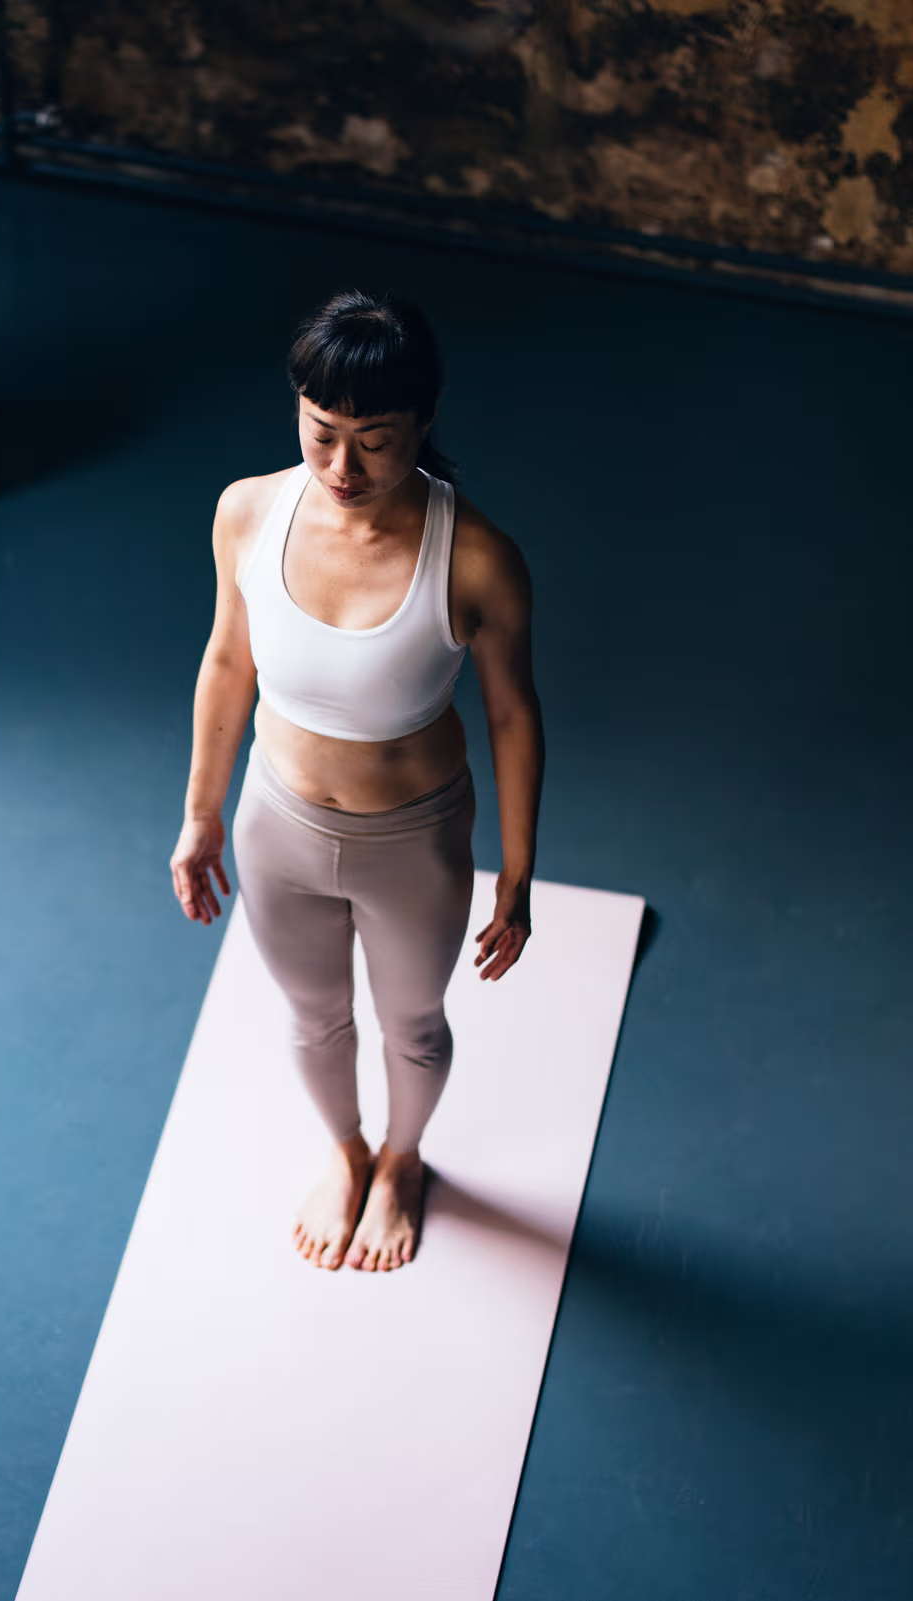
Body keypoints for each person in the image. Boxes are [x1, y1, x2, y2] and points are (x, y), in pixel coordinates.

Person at [170, 288, 544, 1273]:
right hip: (275, 826)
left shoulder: (479, 559)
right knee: (312, 1017)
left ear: (423, 422)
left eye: (375, 439)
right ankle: (345, 1153)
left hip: (413, 841)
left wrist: (517, 869)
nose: (342, 467)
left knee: (413, 1025)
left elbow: (513, 711)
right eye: (322, 432)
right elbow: (225, 662)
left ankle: (404, 1160)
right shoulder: (247, 510)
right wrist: (200, 813)